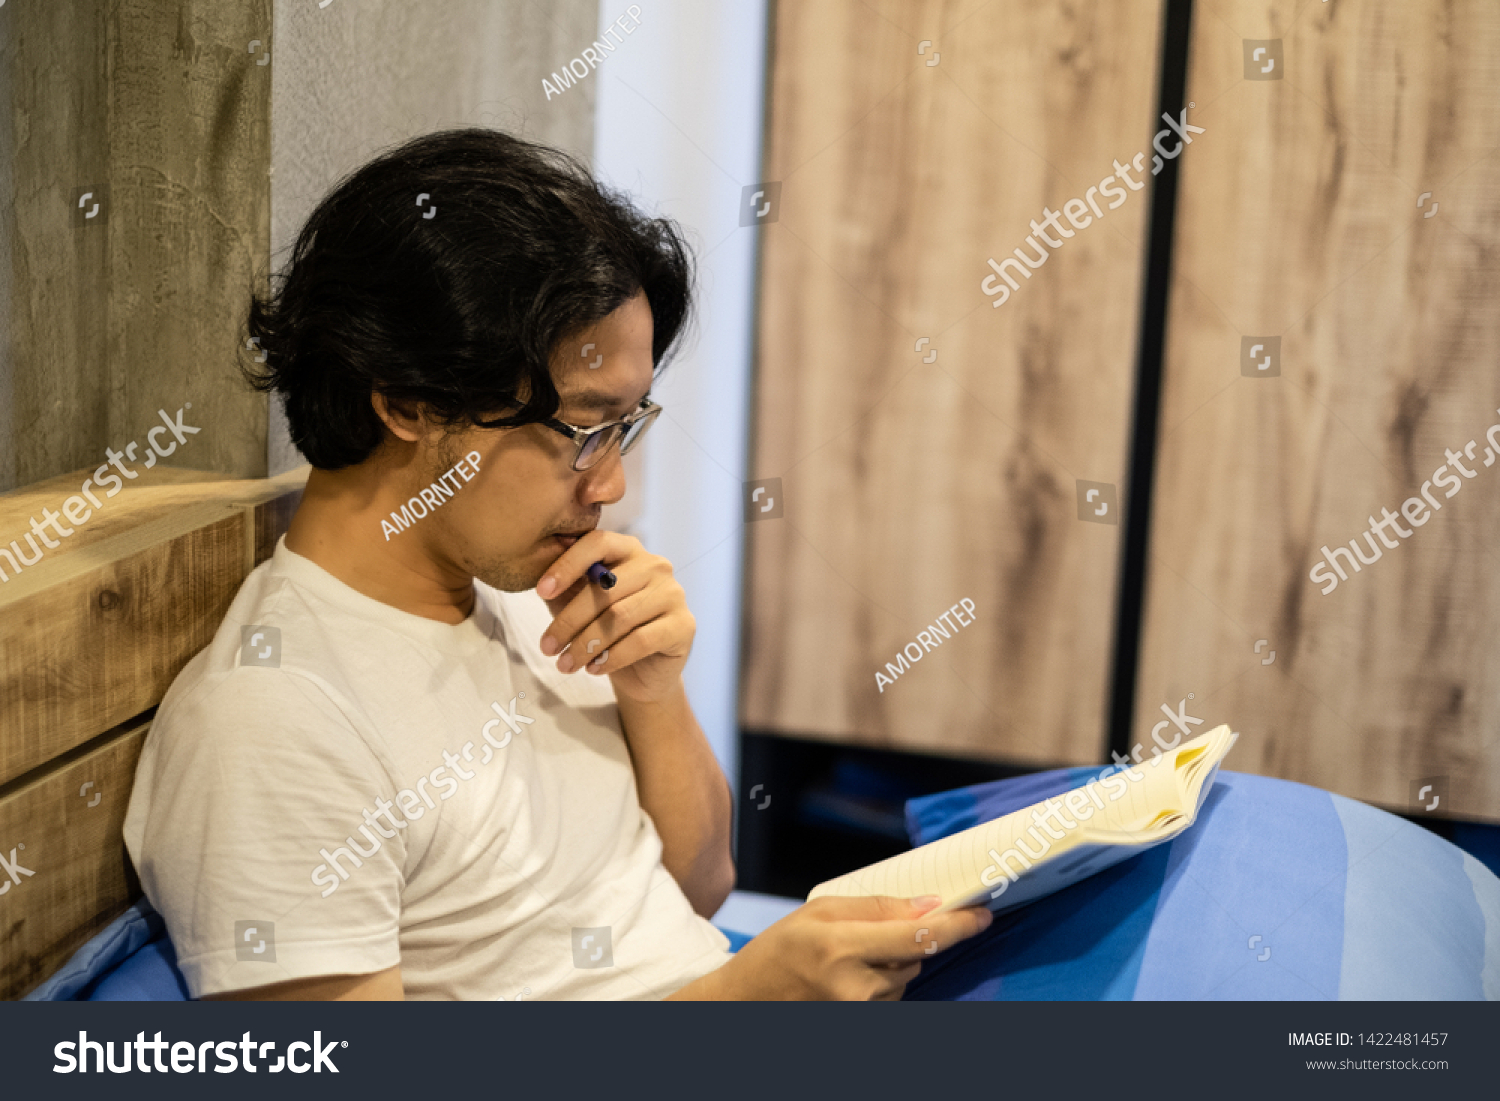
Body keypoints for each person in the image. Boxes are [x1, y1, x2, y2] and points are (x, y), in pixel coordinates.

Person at [122, 128, 990, 1001]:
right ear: (407, 403)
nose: (611, 482)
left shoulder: (535, 587)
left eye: (627, 425)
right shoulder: (274, 720)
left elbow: (698, 886)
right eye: (582, 429)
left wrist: (652, 689)